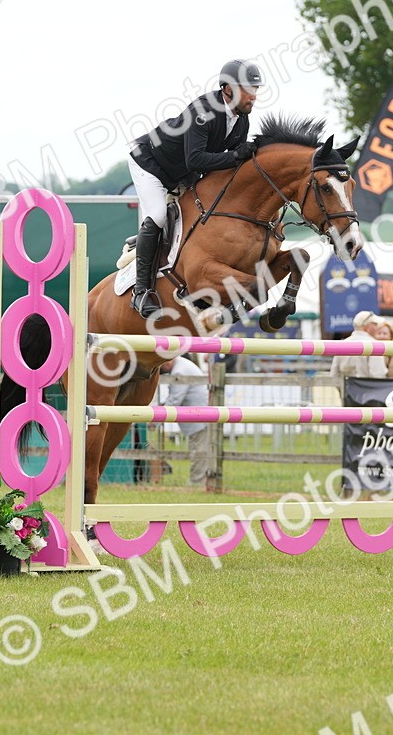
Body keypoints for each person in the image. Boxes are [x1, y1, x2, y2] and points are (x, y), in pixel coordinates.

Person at [126, 59, 264, 319]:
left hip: (182, 172)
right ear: (227, 89)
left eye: (256, 90)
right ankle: (141, 292)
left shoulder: (242, 121)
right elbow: (196, 160)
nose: (254, 96)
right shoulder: (203, 111)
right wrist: (236, 156)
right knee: (156, 215)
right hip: (150, 163)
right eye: (248, 89)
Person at [159, 357, 212, 486]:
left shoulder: (179, 371)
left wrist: (156, 418)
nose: (161, 369)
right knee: (200, 451)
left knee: (199, 452)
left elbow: (175, 399)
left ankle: (197, 482)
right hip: (199, 416)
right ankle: (200, 481)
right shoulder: (182, 366)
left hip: (198, 417)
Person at [330, 311, 388, 380]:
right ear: (369, 326)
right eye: (375, 324)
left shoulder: (342, 345)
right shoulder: (375, 345)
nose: (377, 327)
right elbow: (378, 375)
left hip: (346, 389)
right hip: (367, 389)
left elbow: (334, 375)